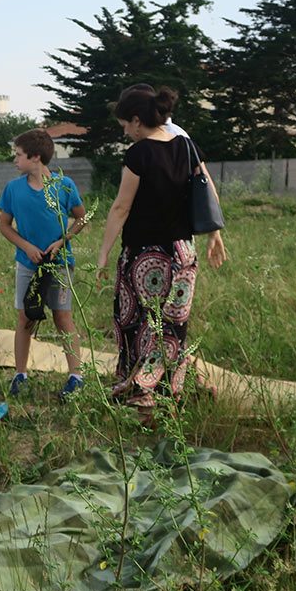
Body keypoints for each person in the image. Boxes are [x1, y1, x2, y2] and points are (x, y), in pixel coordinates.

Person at [97, 86, 226, 407]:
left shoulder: (138, 154)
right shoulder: (186, 146)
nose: (124, 130)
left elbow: (120, 208)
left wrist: (102, 254)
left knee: (139, 321)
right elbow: (207, 190)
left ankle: (140, 389)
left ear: (137, 121)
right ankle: (169, 388)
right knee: (172, 324)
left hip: (145, 254)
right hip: (183, 253)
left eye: (125, 124)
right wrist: (215, 235)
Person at [0, 128, 88, 400]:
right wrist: (25, 246)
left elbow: (81, 218)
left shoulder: (64, 185)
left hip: (59, 265)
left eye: (19, 155)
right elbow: (4, 225)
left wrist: (62, 241)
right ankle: (20, 374)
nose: (15, 160)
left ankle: (75, 376)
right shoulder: (13, 189)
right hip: (27, 264)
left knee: (63, 317)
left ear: (35, 157)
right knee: (26, 317)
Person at [124, 82, 230, 269]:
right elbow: (206, 184)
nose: (126, 131)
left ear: (137, 118)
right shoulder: (181, 137)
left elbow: (204, 183)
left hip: (152, 242)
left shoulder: (170, 139)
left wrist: (214, 232)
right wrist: (214, 230)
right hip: (181, 244)